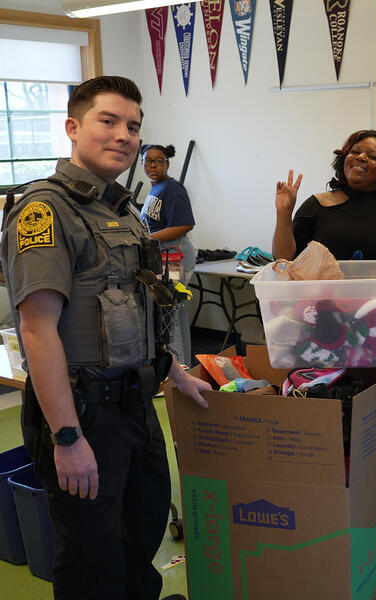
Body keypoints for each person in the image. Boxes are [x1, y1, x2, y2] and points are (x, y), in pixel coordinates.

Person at [0, 75, 211, 600]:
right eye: (108, 121)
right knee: (92, 557)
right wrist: (67, 439)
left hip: (137, 404)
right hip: (84, 412)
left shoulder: (122, 211)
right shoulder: (45, 211)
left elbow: (138, 305)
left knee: (140, 534)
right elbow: (36, 328)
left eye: (133, 127)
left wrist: (176, 372)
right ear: (73, 127)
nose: (124, 136)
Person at [271, 129, 376, 261]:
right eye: (355, 152)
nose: (361, 157)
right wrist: (284, 213)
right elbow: (284, 259)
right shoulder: (316, 205)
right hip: (323, 302)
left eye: (372, 156)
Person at [139, 143, 196, 366]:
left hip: (175, 258)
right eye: (148, 161)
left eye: (158, 161)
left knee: (170, 315)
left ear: (167, 164)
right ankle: (180, 367)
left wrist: (147, 240)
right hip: (163, 257)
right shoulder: (155, 189)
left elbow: (185, 224)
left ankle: (179, 367)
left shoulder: (173, 189)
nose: (153, 165)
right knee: (170, 314)